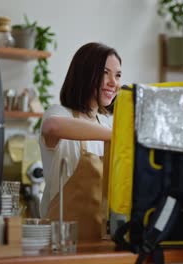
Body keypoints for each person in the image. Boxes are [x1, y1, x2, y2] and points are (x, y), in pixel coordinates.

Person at [39, 42, 122, 241]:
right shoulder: (59, 113)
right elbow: (53, 127)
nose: (113, 82)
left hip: (100, 242)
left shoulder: (108, 123)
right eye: (105, 73)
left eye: (117, 75)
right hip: (60, 243)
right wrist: (116, 136)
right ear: (85, 74)